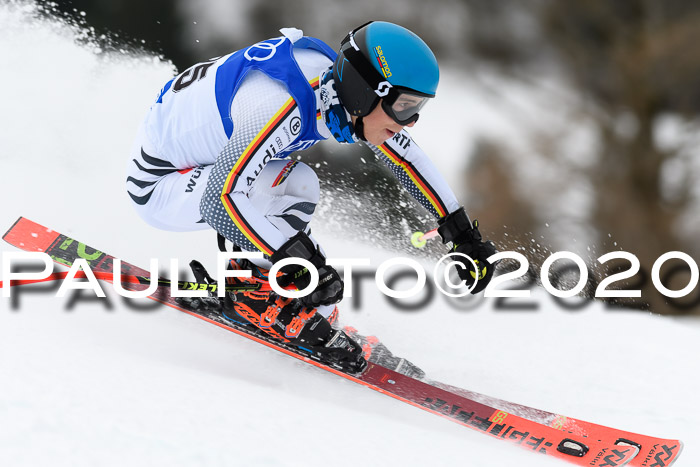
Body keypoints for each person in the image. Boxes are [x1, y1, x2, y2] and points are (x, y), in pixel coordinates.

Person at [126, 21, 497, 373]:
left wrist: (461, 233)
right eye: (404, 106)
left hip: (205, 168)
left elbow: (407, 156)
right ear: (368, 90)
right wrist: (302, 265)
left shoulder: (339, 90)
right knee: (288, 186)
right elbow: (219, 201)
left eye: (418, 108)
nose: (410, 121)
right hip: (162, 185)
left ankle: (275, 292)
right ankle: (256, 293)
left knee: (296, 184)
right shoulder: (282, 101)